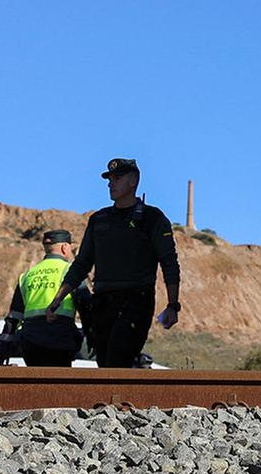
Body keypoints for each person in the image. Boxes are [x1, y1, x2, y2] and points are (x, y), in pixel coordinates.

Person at [43, 158, 181, 368]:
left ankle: (119, 399)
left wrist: (172, 305)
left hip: (136, 301)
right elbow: (81, 264)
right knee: (105, 364)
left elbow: (169, 263)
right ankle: (114, 401)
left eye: (117, 178)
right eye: (109, 179)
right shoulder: (99, 219)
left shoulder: (152, 218)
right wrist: (58, 298)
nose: (111, 183)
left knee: (118, 360)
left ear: (133, 181)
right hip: (102, 303)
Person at [4, 228, 88, 366]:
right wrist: (91, 335)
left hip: (31, 341)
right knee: (58, 384)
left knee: (35, 384)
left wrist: (5, 344)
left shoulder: (27, 275)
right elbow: (85, 306)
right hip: (61, 337)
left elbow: (14, 315)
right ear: (64, 247)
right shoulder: (70, 271)